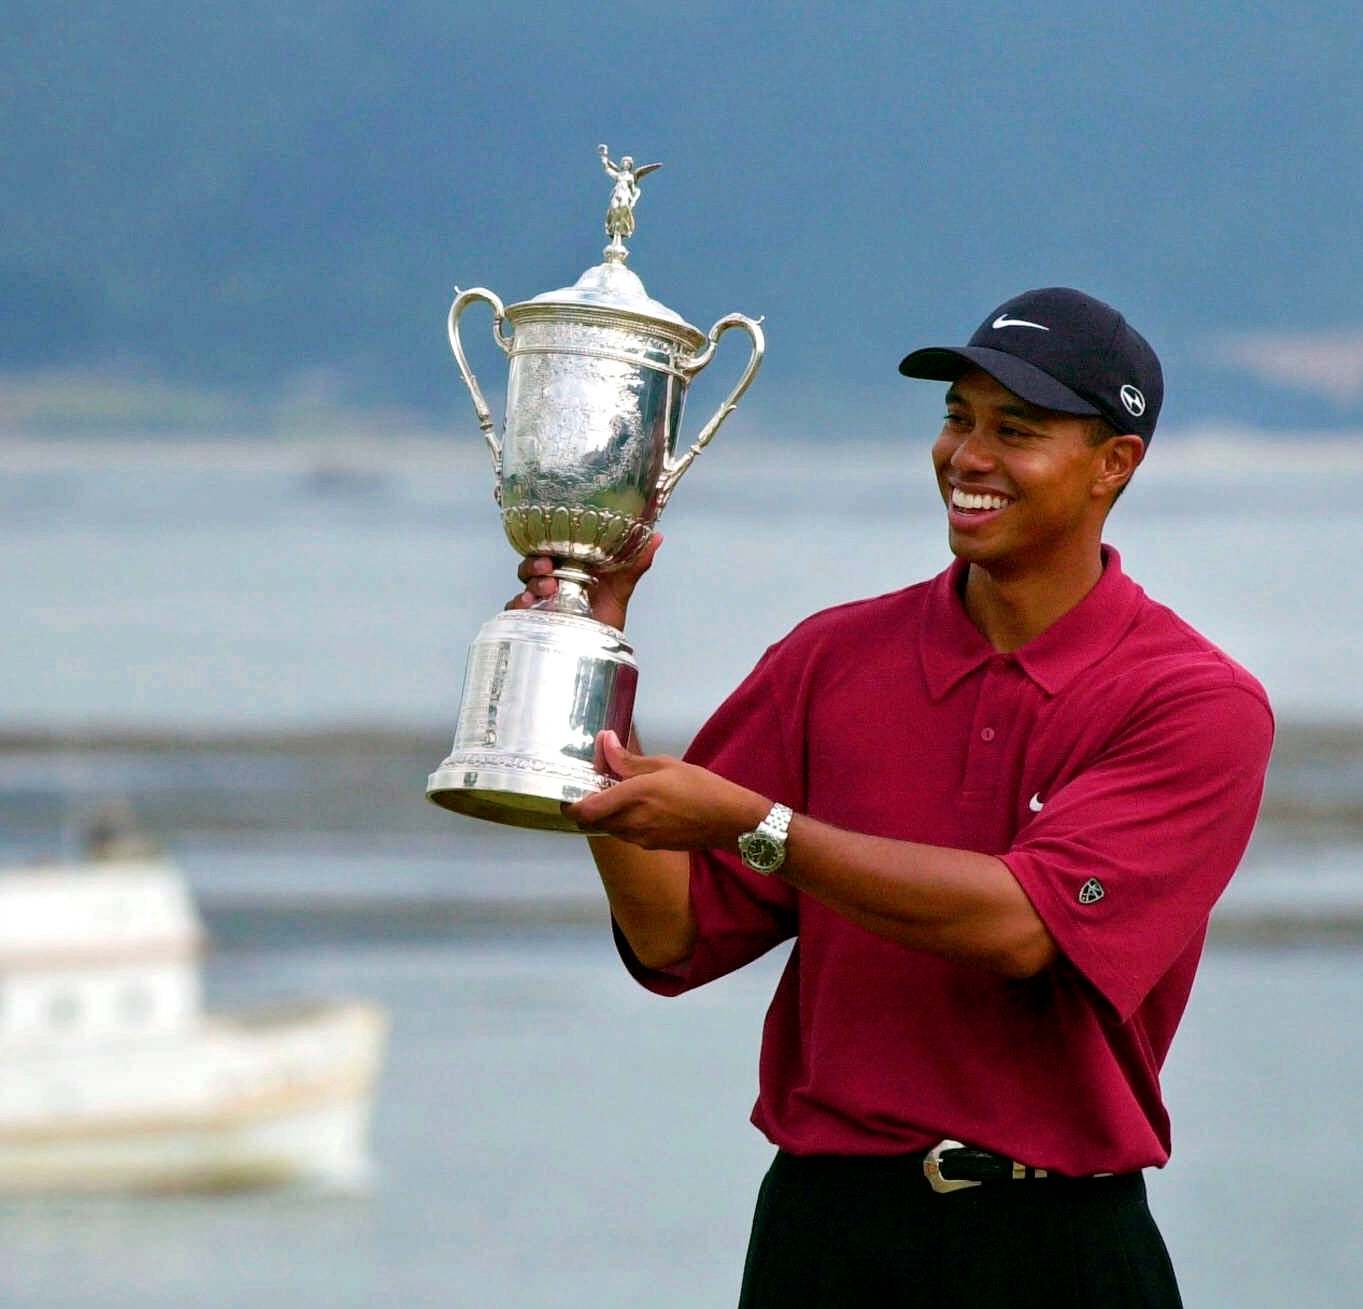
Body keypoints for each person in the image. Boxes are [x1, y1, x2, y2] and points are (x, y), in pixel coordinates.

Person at [508, 287, 1273, 1307]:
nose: (968, 455)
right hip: (825, 1234)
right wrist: (589, 663)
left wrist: (753, 823)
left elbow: (1019, 929)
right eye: (958, 417)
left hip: (1057, 1246)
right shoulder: (833, 657)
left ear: (1115, 464)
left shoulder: (1196, 701)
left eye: (1018, 430)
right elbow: (674, 934)